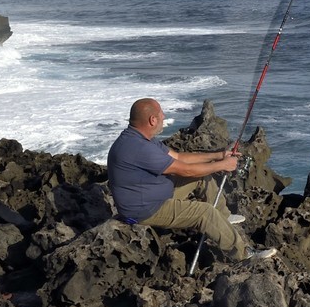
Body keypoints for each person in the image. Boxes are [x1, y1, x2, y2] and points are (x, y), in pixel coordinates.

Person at [106, 98, 275, 263]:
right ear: (152, 120)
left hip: (156, 194)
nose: (164, 116)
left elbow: (179, 157)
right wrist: (222, 165)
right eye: (161, 113)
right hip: (146, 210)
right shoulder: (139, 148)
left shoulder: (141, 139)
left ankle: (224, 217)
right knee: (204, 212)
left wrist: (219, 156)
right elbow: (185, 170)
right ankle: (244, 254)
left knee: (201, 177)